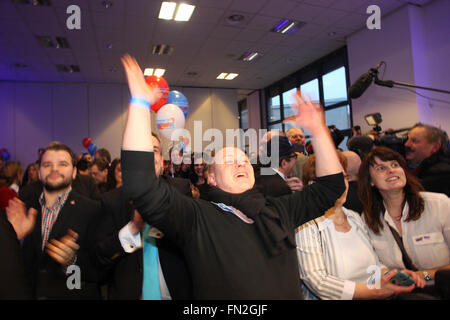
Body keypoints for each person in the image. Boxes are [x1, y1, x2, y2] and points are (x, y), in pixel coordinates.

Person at [119, 54, 345, 299]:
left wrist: (319, 130)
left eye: (244, 160)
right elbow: (141, 186)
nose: (240, 163)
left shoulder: (279, 210)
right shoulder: (197, 219)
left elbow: (330, 189)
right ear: (212, 178)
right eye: (228, 161)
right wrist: (140, 104)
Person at [296, 151, 425, 300]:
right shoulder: (306, 224)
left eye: (343, 177)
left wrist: (392, 276)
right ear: (312, 185)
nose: (341, 185)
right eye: (332, 180)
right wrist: (374, 291)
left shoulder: (354, 217)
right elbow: (319, 283)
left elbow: (375, 264)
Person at [95, 134, 193, 300]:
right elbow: (100, 257)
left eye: (153, 150)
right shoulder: (111, 200)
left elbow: (194, 241)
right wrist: (133, 229)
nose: (146, 155)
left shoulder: (180, 190)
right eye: (140, 150)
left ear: (162, 160)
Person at [7, 142, 102, 299]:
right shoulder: (23, 210)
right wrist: (16, 238)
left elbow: (99, 272)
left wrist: (72, 262)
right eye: (47, 164)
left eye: (62, 164)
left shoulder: (92, 210)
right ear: (39, 173)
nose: (54, 169)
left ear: (74, 172)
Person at [358, 146, 450, 289]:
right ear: (371, 182)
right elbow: (374, 265)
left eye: (395, 165)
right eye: (381, 168)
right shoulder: (368, 219)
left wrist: (424, 275)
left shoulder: (438, 204)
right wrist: (391, 276)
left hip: (440, 286)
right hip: (398, 292)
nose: (391, 170)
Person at [404, 123, 450, 196]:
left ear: (435, 147)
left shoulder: (440, 173)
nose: (406, 144)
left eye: (414, 141)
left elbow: (411, 196)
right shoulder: (427, 166)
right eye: (407, 139)